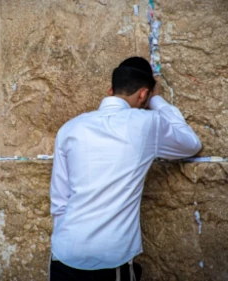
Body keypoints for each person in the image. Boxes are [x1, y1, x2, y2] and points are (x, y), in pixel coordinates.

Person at [49, 57, 202, 281]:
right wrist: (157, 100)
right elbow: (191, 143)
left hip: (64, 254)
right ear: (143, 95)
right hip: (111, 259)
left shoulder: (70, 128)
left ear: (111, 90)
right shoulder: (147, 123)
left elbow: (59, 201)